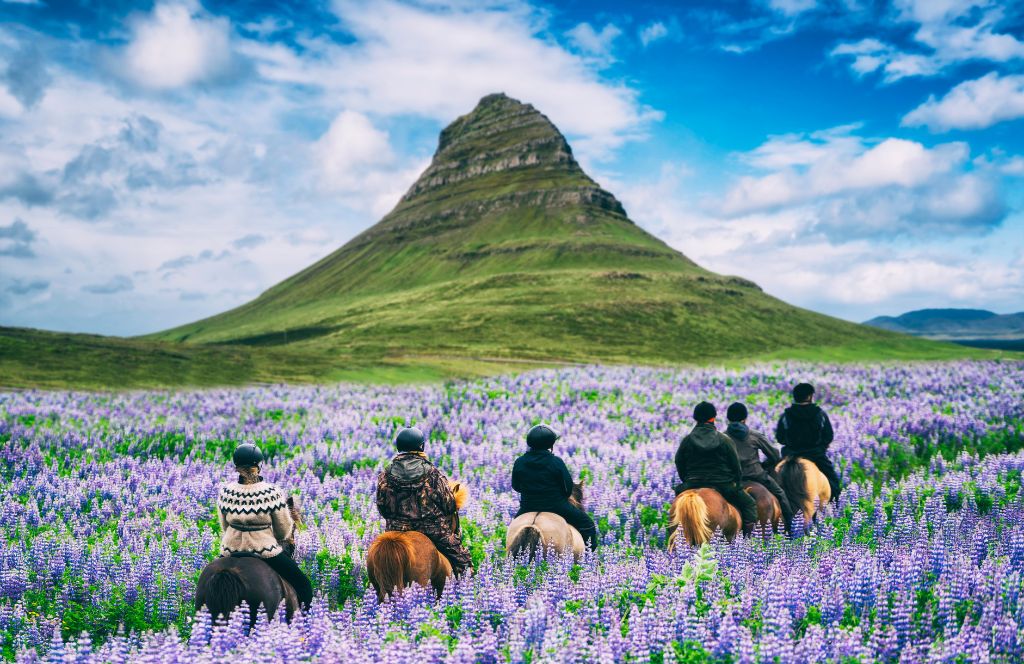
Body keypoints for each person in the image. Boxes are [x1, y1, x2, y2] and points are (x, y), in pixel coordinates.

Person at [217, 443, 314, 610]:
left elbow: (224, 526)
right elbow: (283, 530)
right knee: (303, 585)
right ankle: (303, 625)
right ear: (258, 466)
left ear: (236, 467)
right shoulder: (271, 493)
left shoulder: (226, 492)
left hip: (229, 550)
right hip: (264, 550)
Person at [376, 427, 472, 576]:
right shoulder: (432, 473)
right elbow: (448, 505)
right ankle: (465, 583)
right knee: (463, 561)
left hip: (395, 529)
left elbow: (382, 508)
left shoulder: (386, 474)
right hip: (432, 530)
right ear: (421, 446)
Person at [511, 424, 600, 551]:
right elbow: (568, 488)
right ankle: (592, 560)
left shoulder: (520, 461)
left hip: (527, 506)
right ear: (550, 444)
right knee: (587, 524)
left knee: (514, 530)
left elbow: (516, 486)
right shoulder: (556, 462)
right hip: (556, 506)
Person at [675, 402, 758, 534]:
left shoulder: (687, 440)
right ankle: (749, 539)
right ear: (713, 418)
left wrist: (687, 480)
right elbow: (735, 466)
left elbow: (679, 463)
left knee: (676, 505)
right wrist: (736, 482)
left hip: (693, 482)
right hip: (722, 484)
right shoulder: (724, 439)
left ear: (695, 418)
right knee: (750, 505)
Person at [725, 402, 794, 525]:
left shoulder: (722, 437)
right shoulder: (754, 435)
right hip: (756, 475)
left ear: (728, 419)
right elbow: (775, 455)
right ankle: (790, 526)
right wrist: (764, 464)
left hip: (732, 479)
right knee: (780, 494)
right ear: (744, 419)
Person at [775, 383, 841, 500]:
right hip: (816, 455)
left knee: (773, 482)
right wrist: (821, 446)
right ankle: (834, 508)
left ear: (795, 396)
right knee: (833, 483)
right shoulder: (820, 414)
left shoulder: (786, 415)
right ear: (810, 396)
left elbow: (780, 438)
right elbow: (828, 436)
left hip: (791, 456)